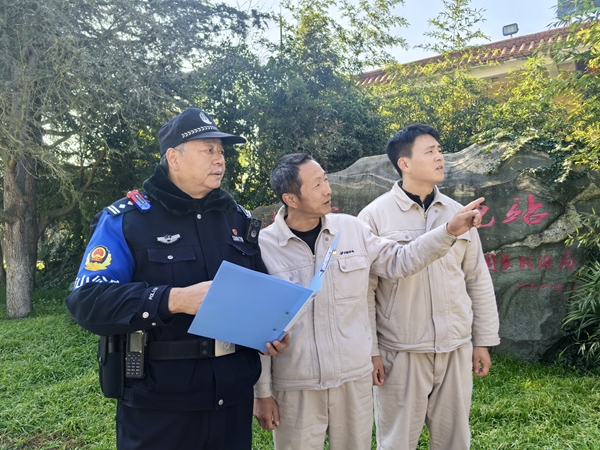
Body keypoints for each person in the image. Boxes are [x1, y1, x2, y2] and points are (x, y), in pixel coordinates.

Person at [65, 108, 289, 450]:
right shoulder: (127, 220)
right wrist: (173, 300)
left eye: (221, 151)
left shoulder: (237, 219)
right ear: (174, 158)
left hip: (232, 400)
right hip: (161, 406)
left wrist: (268, 331)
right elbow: (87, 302)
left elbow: (256, 291)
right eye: (208, 150)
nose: (220, 159)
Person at [253, 153, 485, 450]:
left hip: (354, 381)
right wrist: (262, 392)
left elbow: (401, 260)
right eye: (316, 185)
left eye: (325, 180)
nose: (327, 190)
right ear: (291, 199)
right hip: (297, 386)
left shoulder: (351, 230)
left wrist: (449, 231)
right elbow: (259, 328)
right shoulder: (263, 247)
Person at [357, 123, 500, 450]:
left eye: (440, 150)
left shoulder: (458, 213)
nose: (439, 157)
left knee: (455, 440)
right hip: (401, 352)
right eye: (430, 151)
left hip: (455, 348)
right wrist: (372, 351)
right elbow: (364, 291)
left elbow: (476, 278)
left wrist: (482, 341)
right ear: (404, 163)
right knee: (396, 442)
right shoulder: (374, 217)